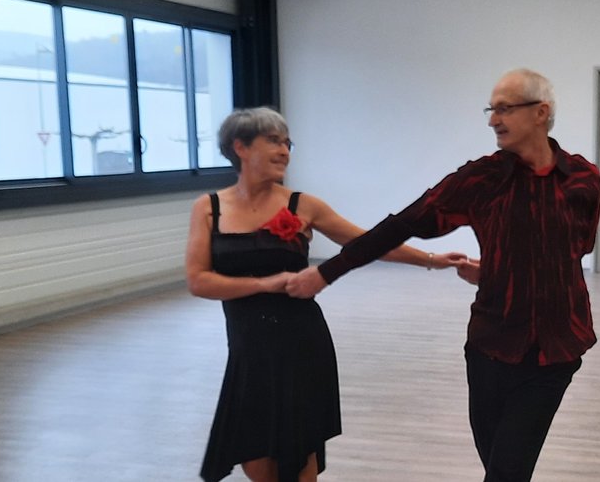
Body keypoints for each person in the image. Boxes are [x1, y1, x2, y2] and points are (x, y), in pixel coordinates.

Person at [287, 68, 600, 481]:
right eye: (491, 109)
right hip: (491, 347)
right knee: (498, 463)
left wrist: (511, 269)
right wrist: (326, 273)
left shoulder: (583, 179)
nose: (492, 119)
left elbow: (578, 248)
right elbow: (401, 224)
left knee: (507, 472)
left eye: (504, 109)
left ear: (540, 113)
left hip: (554, 351)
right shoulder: (481, 180)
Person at [185, 107, 464, 482]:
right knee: (257, 462)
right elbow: (199, 281)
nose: (284, 150)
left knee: (300, 461)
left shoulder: (303, 205)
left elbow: (369, 243)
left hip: (302, 344)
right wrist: (265, 284)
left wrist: (432, 259)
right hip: (249, 350)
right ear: (240, 147)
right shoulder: (208, 208)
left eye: (287, 143)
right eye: (273, 141)